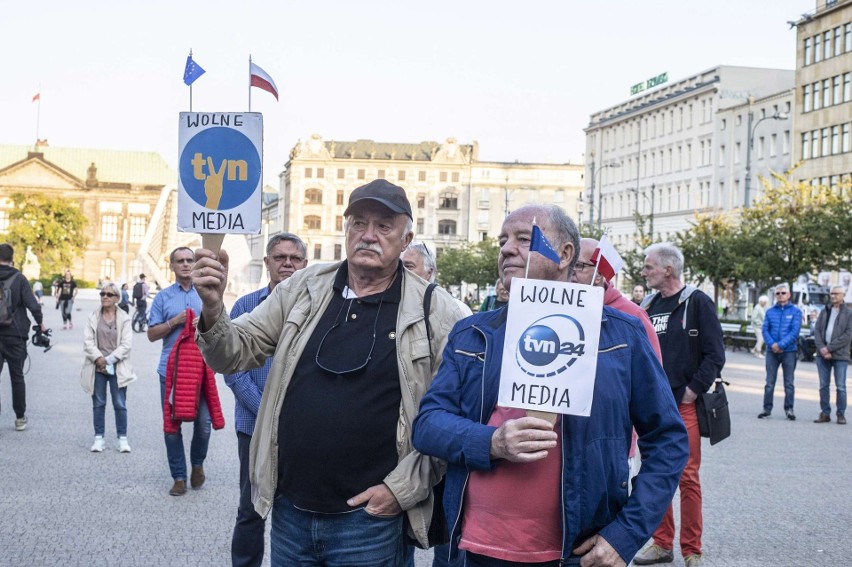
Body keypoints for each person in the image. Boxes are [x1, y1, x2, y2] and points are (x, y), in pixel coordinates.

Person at [194, 179, 467, 565]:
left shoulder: (437, 312)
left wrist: (400, 490)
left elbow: (452, 418)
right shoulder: (305, 287)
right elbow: (234, 352)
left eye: (383, 226)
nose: (368, 235)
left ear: (406, 238)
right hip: (291, 511)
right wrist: (213, 308)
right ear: (345, 230)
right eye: (358, 223)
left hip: (370, 523)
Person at [412, 205, 688, 567]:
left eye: (524, 239)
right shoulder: (473, 332)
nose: (507, 249)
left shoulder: (622, 335)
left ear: (565, 254)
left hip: (576, 552)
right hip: (473, 550)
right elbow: (428, 424)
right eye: (502, 241)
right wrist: (491, 442)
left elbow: (667, 440)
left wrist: (625, 535)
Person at [636, 243, 725, 567]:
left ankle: (692, 549)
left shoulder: (696, 302)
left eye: (649, 267)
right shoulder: (647, 304)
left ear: (668, 270)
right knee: (654, 475)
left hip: (684, 406)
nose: (644, 272)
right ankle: (662, 543)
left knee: (687, 477)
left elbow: (715, 354)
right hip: (653, 407)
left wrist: (691, 391)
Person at [225, 232, 308, 567]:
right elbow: (233, 368)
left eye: (294, 259)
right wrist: (268, 412)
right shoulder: (246, 306)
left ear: (304, 264)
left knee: (298, 507)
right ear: (268, 263)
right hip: (253, 426)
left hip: (300, 431)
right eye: (280, 257)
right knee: (251, 508)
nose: (287, 263)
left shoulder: (315, 309)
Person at [571, 238, 663, 482]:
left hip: (615, 444)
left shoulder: (632, 316)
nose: (570, 273)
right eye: (568, 264)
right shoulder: (562, 308)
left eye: (578, 266)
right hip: (568, 441)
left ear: (600, 275)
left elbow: (653, 385)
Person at [147, 248, 210, 496]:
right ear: (171, 266)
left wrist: (205, 324)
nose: (185, 264)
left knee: (204, 423)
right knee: (172, 425)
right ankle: (179, 476)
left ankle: (197, 464)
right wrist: (175, 321)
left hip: (201, 368)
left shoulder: (207, 295)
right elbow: (151, 334)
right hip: (170, 370)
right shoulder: (162, 298)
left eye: (189, 260)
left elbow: (223, 330)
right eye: (180, 261)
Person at [80, 282, 137, 452]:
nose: (105, 296)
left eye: (109, 294)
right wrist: (98, 358)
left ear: (117, 298)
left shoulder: (124, 318)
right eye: (102, 293)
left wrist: (109, 359)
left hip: (117, 366)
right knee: (98, 403)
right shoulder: (93, 316)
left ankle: (122, 439)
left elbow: (127, 344)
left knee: (120, 403)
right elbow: (87, 341)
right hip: (97, 366)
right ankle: (99, 438)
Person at [0, 244, 47, 431]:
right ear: (12, 258)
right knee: (17, 377)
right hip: (15, 335)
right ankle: (20, 418)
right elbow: (33, 305)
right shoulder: (19, 278)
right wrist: (40, 323)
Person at [757, 283, 802, 421]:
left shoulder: (796, 312)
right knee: (769, 382)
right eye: (778, 293)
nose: (780, 295)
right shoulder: (770, 311)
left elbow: (795, 332)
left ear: (788, 295)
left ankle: (789, 409)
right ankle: (766, 409)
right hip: (772, 352)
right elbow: (765, 330)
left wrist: (781, 345)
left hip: (789, 351)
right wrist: (772, 344)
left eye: (783, 293)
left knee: (789, 383)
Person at [402, 240, 472, 317]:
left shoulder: (457, 309)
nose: (401, 271)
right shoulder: (395, 305)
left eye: (409, 266)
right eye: (399, 267)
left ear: (429, 272)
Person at [813, 286, 852, 425]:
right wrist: (822, 348)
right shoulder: (825, 311)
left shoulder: (849, 313)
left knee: (840, 386)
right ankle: (825, 413)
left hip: (840, 355)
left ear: (843, 295)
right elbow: (817, 331)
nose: (833, 296)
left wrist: (829, 348)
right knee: (823, 385)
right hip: (822, 355)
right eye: (832, 293)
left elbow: (848, 335)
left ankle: (840, 414)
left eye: (836, 293)